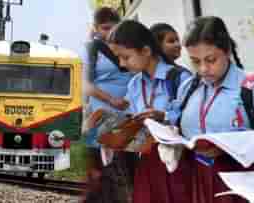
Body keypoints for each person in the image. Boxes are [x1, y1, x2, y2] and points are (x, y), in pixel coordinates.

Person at [109, 20, 192, 203]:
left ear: (146, 51)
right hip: (148, 164)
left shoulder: (180, 78)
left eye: (126, 57)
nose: (122, 64)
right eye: (119, 58)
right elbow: (131, 123)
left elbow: (194, 123)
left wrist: (164, 116)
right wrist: (112, 132)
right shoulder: (134, 84)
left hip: (178, 163)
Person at [177, 16, 254, 203]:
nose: (203, 69)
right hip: (198, 177)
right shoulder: (188, 88)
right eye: (195, 61)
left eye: (210, 60)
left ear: (227, 51)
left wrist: (229, 148)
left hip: (239, 184)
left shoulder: (248, 88)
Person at [81, 7, 135, 203]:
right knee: (106, 168)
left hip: (130, 113)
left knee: (130, 166)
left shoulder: (128, 47)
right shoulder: (90, 50)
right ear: (95, 28)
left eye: (114, 27)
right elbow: (84, 85)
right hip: (103, 112)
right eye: (104, 28)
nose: (109, 32)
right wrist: (111, 100)